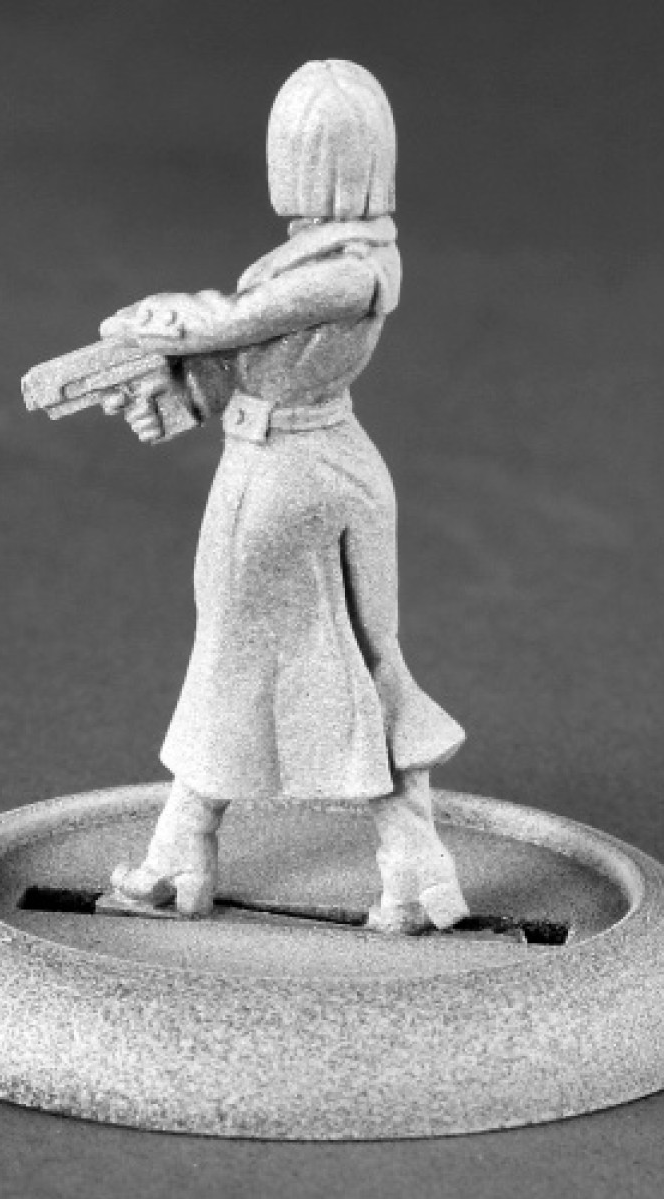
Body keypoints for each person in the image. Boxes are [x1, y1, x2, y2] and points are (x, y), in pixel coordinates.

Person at [99, 60, 469, 935]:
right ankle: (412, 864)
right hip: (333, 462)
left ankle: (183, 850)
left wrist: (154, 321)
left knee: (238, 655)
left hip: (281, 477)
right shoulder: (343, 257)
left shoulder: (349, 270)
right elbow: (250, 353)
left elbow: (234, 322)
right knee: (361, 663)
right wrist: (177, 388)